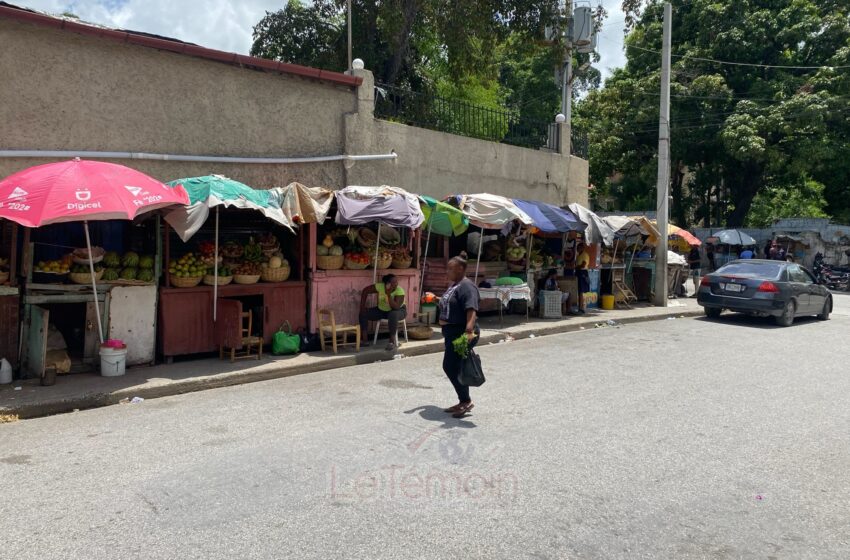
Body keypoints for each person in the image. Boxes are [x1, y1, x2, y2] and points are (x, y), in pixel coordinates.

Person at [439, 252, 480, 418]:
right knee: (453, 366)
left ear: (461, 269)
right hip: (452, 333)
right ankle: (464, 400)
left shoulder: (467, 286)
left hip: (461, 333)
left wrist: (468, 331)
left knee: (451, 366)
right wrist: (435, 299)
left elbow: (471, 309)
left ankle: (466, 401)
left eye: (451, 269)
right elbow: (453, 304)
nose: (447, 271)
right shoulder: (455, 285)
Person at [359, 274, 406, 351]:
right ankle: (365, 340)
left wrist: (388, 294)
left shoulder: (399, 290)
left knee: (393, 314)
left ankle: (391, 342)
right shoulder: (380, 286)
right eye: (393, 282)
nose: (396, 284)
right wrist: (362, 307)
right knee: (363, 313)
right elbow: (365, 291)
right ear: (387, 284)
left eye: (396, 282)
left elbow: (396, 307)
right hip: (382, 311)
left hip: (399, 311)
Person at [575, 243, 590, 314]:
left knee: (581, 291)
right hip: (579, 272)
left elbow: (583, 265)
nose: (577, 249)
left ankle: (581, 308)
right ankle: (580, 307)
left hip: (582, 273)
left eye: (579, 248)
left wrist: (575, 267)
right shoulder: (579, 255)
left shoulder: (585, 255)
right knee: (579, 291)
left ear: (582, 248)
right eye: (577, 248)